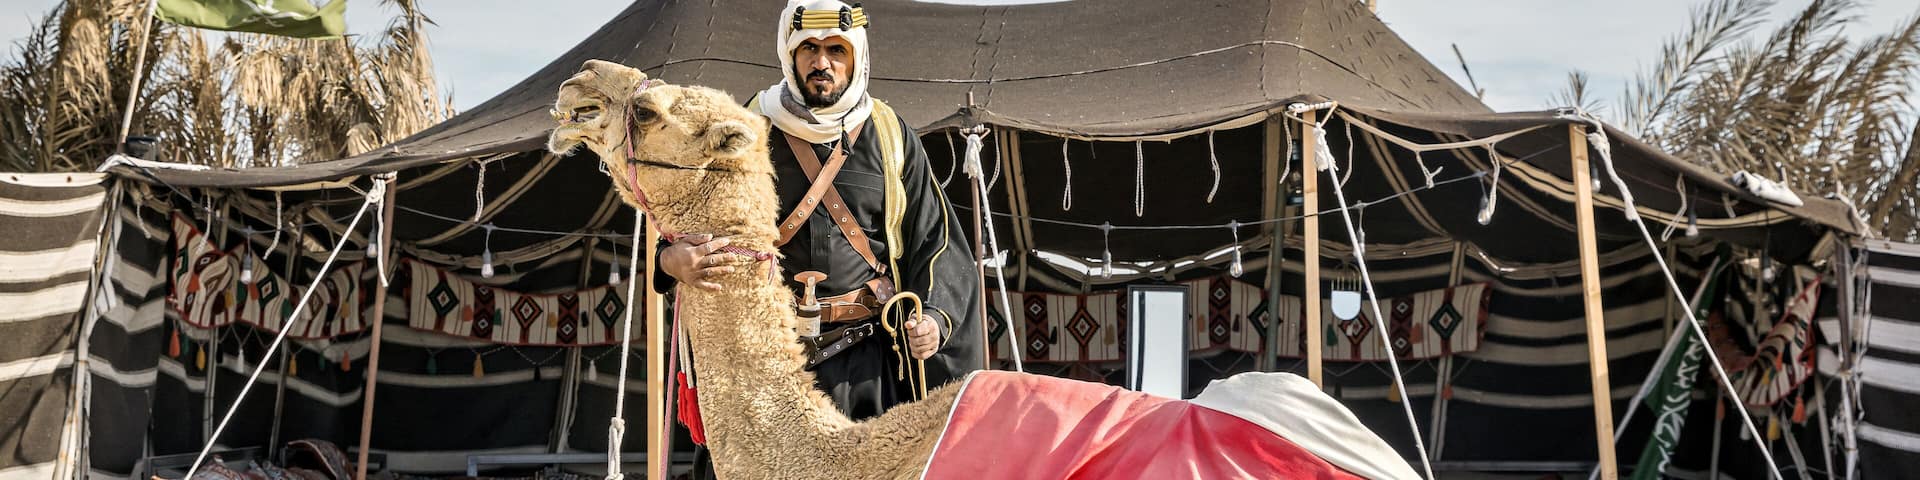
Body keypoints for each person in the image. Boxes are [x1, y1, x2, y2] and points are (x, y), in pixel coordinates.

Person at [654, 0, 985, 476]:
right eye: (808, 48)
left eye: (836, 50)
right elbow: (685, 216)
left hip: (866, 364)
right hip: (766, 365)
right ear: (789, 54)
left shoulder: (891, 135)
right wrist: (671, 262)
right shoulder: (748, 128)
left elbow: (937, 241)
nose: (821, 62)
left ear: (856, 56)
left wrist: (933, 318)